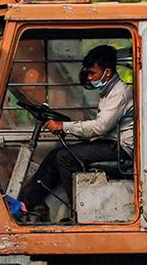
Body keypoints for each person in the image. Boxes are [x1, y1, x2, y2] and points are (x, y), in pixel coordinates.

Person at [7, 45, 133, 225]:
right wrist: (69, 128)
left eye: (93, 73)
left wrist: (64, 126)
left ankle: (79, 212)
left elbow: (100, 127)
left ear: (107, 72)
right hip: (110, 143)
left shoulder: (119, 93)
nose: (89, 78)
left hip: (121, 148)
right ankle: (26, 204)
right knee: (55, 154)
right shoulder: (108, 92)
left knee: (64, 157)